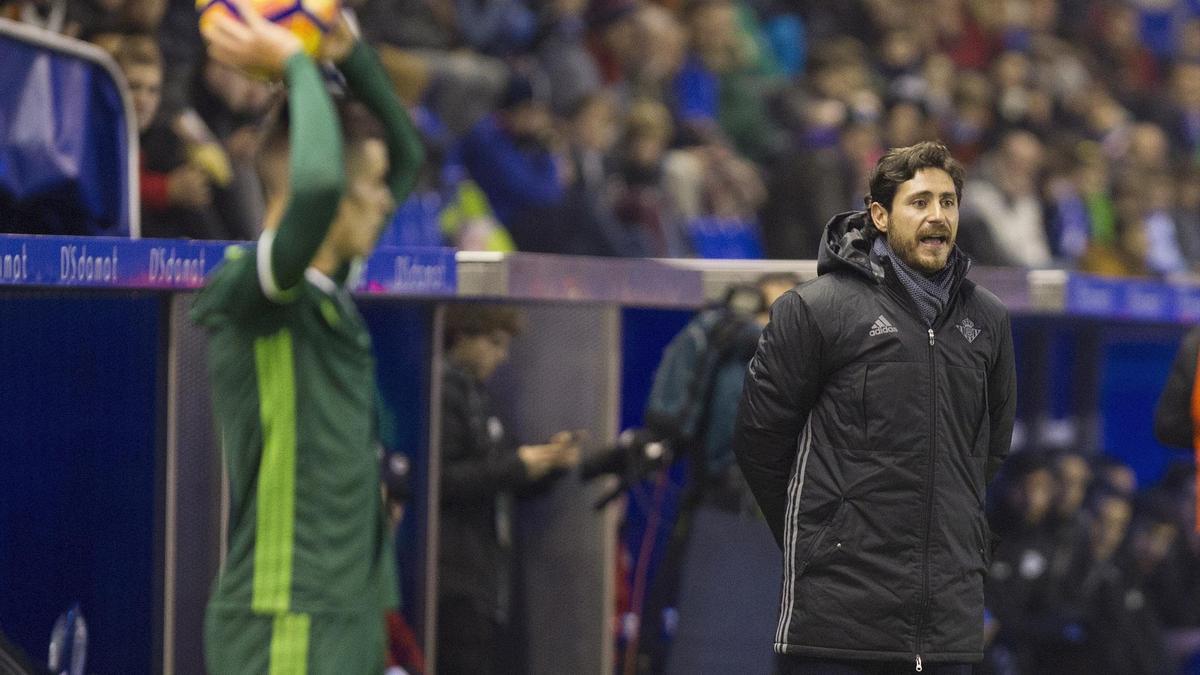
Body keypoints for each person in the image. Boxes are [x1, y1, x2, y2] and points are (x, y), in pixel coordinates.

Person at [190, 1, 423, 671]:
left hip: (347, 606)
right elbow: (317, 184)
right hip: (283, 612)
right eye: (372, 188)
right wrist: (296, 65)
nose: (387, 200)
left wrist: (350, 56)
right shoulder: (256, 291)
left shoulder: (330, 290)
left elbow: (406, 155)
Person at [733, 141, 1017, 674]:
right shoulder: (816, 310)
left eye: (948, 202)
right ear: (880, 215)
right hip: (836, 624)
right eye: (920, 202)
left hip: (946, 627)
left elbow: (989, 447)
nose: (938, 217)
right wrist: (821, 534)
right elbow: (759, 442)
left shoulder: (990, 319)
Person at [436, 304, 581, 674]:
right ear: (462, 336)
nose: (501, 356)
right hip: (451, 580)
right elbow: (444, 480)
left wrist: (548, 463)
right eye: (494, 343)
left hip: (485, 580)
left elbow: (503, 475)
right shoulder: (442, 391)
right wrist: (521, 464)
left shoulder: (480, 397)